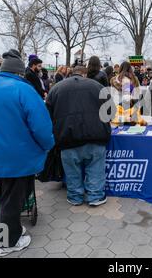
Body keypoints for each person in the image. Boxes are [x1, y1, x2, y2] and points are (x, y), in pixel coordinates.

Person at [0, 49, 55, 257]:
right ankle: (7, 243)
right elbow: (41, 127)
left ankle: (5, 230)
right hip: (17, 159)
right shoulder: (24, 90)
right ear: (19, 73)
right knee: (13, 201)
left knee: (1, 196)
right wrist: (48, 145)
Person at [46, 65, 112, 207]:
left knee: (72, 171)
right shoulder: (97, 86)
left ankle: (75, 197)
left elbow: (48, 115)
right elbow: (110, 111)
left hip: (67, 138)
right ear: (85, 74)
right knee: (95, 168)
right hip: (95, 136)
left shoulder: (56, 88)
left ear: (71, 73)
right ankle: (95, 196)